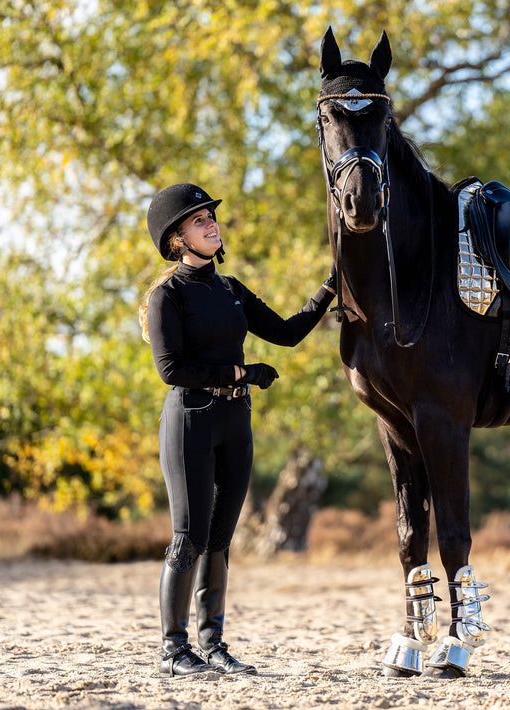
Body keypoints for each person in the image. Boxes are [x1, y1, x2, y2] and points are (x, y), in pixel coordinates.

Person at [139, 183, 336, 677]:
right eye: (199, 220)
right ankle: (173, 649)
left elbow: (288, 333)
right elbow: (170, 368)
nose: (211, 224)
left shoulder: (230, 290)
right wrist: (240, 373)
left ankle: (213, 644)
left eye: (211, 217)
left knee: (221, 538)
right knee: (189, 536)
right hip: (190, 420)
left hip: (235, 421)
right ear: (176, 240)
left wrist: (333, 283)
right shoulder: (168, 295)